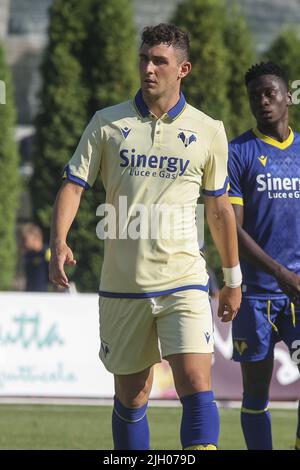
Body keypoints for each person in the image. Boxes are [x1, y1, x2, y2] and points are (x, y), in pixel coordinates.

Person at [49, 23, 241, 450]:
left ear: (183, 69)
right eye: (144, 59)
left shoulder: (209, 130)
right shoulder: (105, 123)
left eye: (160, 61)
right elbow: (73, 185)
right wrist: (58, 241)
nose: (149, 68)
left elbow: (219, 209)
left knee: (196, 382)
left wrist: (232, 279)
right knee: (132, 395)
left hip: (185, 280)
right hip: (123, 285)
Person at [228, 61, 300, 450]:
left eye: (270, 92)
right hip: (255, 296)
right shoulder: (239, 152)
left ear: (289, 96)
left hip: (299, 294)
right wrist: (279, 272)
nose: (263, 100)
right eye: (255, 95)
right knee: (256, 393)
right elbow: (232, 231)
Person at [20, 223, 51, 292]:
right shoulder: (28, 255)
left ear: (36, 238)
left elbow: (55, 278)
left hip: (45, 295)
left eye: (25, 240)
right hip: (29, 294)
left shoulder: (47, 252)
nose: (23, 243)